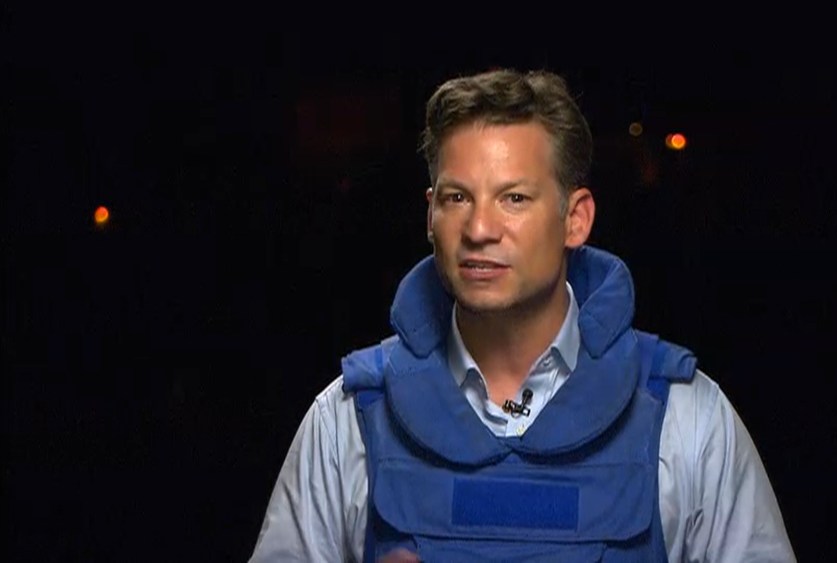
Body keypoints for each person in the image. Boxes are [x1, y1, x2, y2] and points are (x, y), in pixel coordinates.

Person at [249, 68, 796, 562]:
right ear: (430, 214)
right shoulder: (346, 420)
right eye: (457, 198)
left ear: (575, 220)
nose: (479, 229)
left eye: (513, 198)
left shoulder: (688, 418)